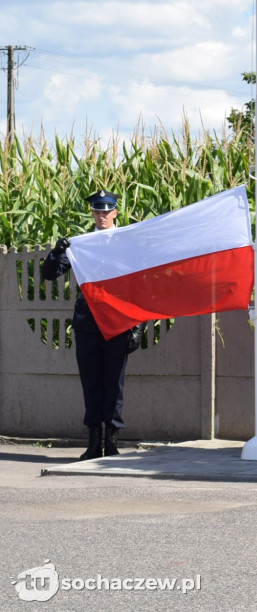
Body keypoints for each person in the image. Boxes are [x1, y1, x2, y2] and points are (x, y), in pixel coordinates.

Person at [41, 190, 140, 459]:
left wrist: (137, 325)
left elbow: (140, 286)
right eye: (97, 211)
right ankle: (95, 443)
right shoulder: (81, 244)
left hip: (118, 322)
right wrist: (56, 252)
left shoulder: (125, 243)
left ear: (115, 213)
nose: (102, 216)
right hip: (88, 323)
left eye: (106, 211)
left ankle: (113, 441)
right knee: (92, 383)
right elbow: (49, 274)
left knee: (114, 384)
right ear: (92, 214)